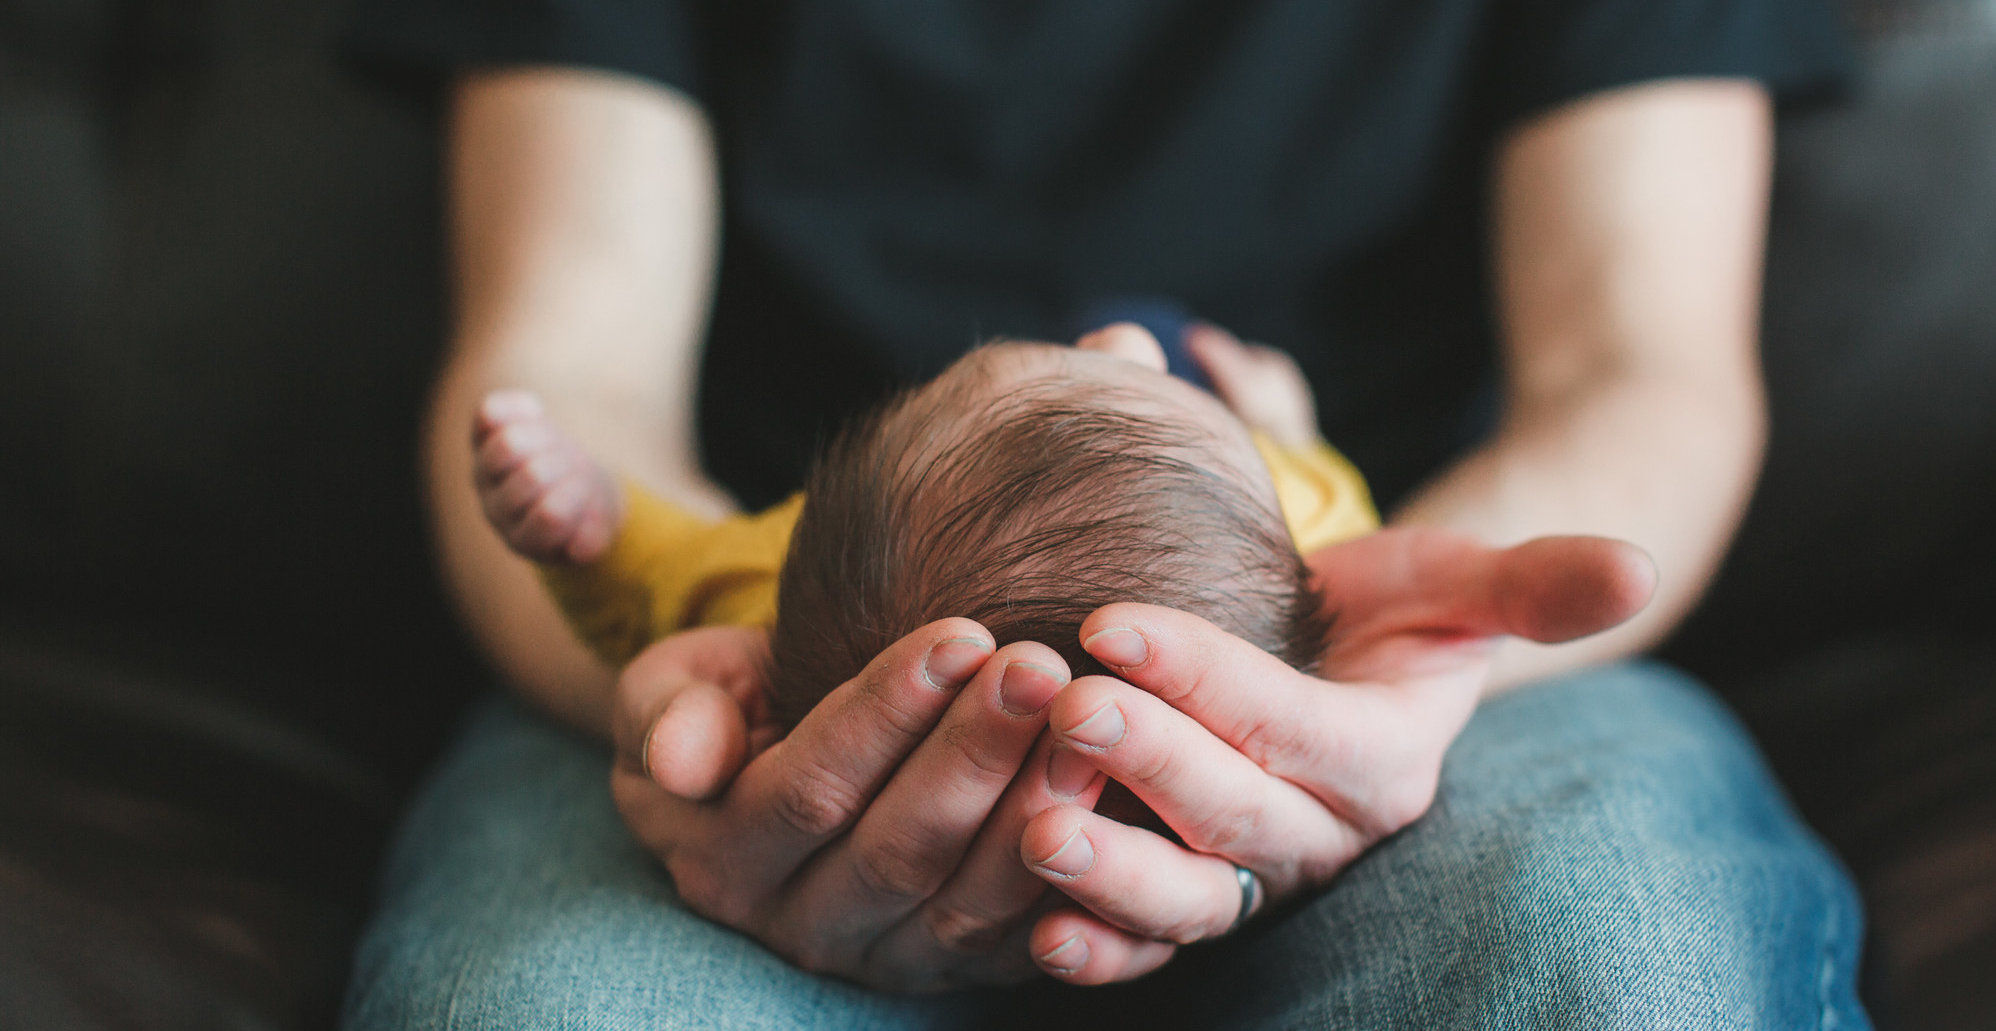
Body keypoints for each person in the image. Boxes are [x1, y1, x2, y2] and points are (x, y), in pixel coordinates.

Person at [331, 0, 1911, 1031]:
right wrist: (680, 691)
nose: (1111, 336)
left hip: (1406, 633)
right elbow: (563, 370)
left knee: (1611, 1003)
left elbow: (1637, 375)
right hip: (782, 622)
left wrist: (1399, 661)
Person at [472, 331, 1396, 725]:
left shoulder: (761, 589)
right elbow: (1328, 480)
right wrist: (1282, 428)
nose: (1120, 336)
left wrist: (593, 528)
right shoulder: (1305, 520)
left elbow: (645, 590)